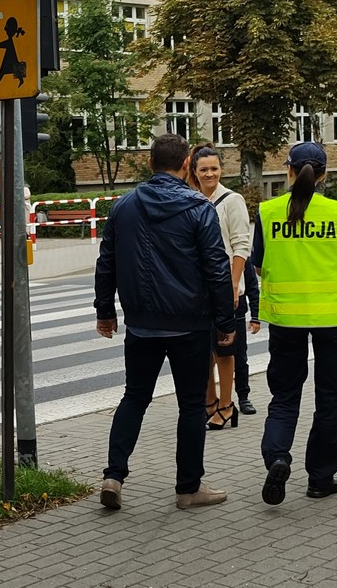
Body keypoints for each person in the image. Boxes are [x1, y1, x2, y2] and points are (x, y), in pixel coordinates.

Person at [94, 134, 237, 511]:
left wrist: (105, 311)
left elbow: (106, 260)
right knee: (191, 405)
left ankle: (113, 475)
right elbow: (217, 270)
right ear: (187, 164)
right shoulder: (199, 208)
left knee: (135, 397)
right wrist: (226, 319)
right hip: (190, 324)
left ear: (149, 163)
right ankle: (188, 489)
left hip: (141, 324)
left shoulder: (123, 207)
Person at [254, 140, 337, 506]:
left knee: (284, 396)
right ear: (324, 175)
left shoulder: (267, 212)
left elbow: (258, 262)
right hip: (333, 318)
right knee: (331, 399)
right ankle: (321, 477)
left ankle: (278, 457)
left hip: (285, 320)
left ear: (287, 171)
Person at [188, 145, 252, 430]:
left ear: (221, 169)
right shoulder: (189, 199)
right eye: (203, 169)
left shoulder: (231, 200)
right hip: (197, 290)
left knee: (226, 351)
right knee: (202, 352)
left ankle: (227, 405)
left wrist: (234, 284)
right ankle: (210, 402)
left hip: (226, 288)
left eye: (214, 168)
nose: (209, 174)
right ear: (194, 171)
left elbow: (241, 245)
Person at [234, 258, 261, 414]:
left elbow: (252, 288)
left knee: (240, 359)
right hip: (211, 315)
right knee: (209, 361)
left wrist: (255, 317)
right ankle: (210, 402)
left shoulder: (242, 257)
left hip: (237, 313)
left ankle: (243, 397)